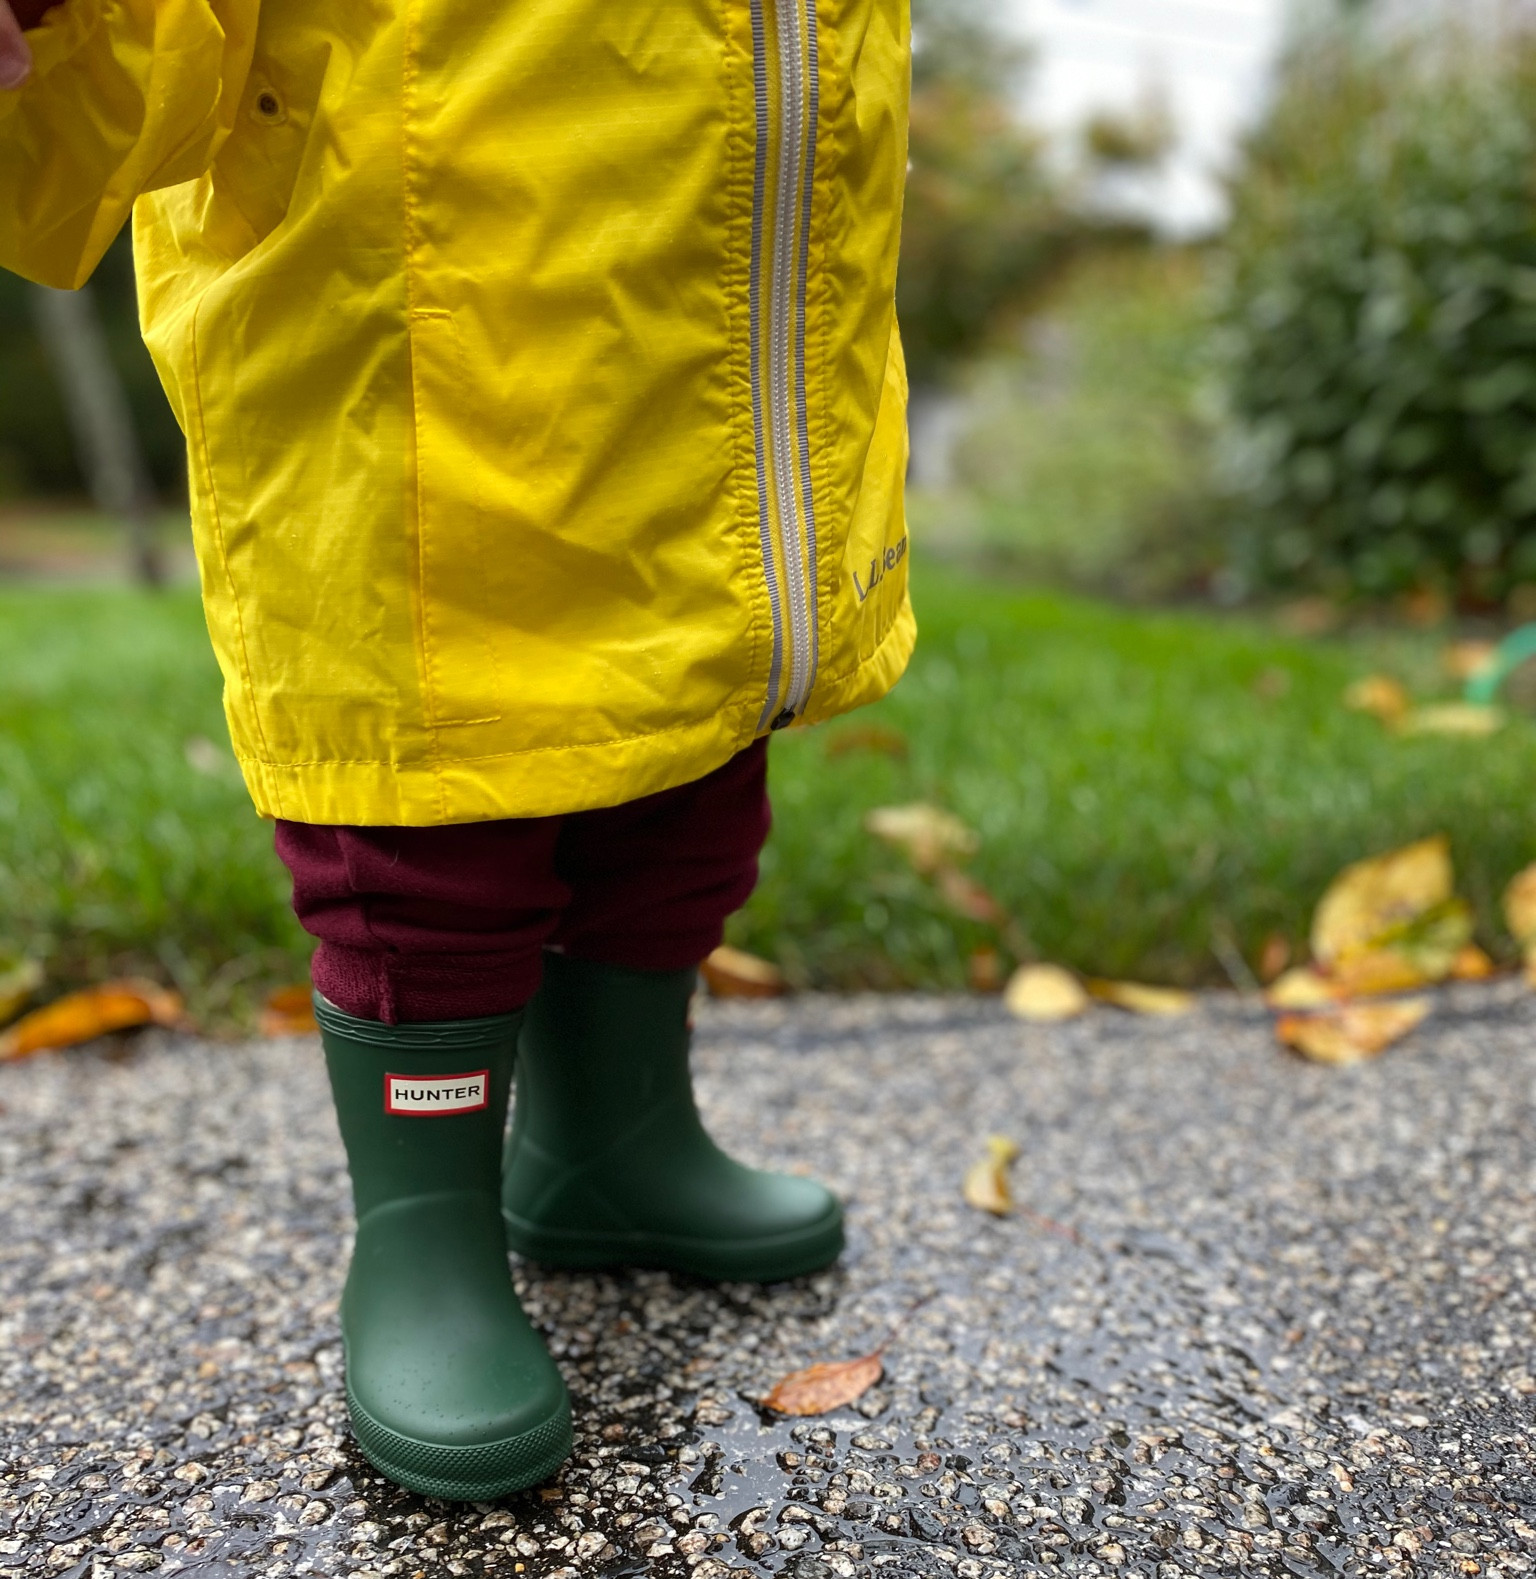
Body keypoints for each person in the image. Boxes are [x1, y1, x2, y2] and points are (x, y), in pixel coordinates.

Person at [0, 0, 914, 1500]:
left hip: (705, 321)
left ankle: (613, 1141)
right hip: (404, 322)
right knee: (429, 831)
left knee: (682, 763)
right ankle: (422, 1231)